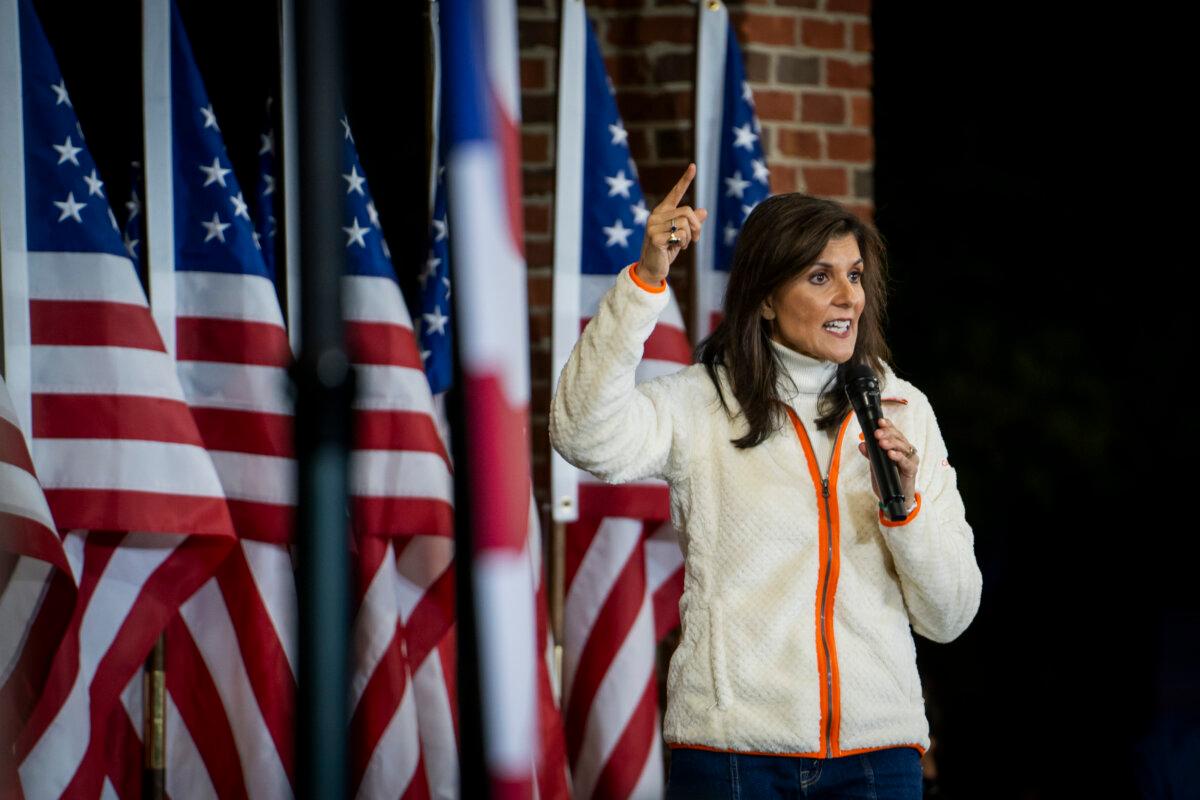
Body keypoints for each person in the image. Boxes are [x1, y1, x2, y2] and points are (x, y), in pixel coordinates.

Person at [549, 163, 983, 799]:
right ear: (765, 299)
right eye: (820, 277)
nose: (849, 297)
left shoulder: (901, 408)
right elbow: (581, 432)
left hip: (877, 759)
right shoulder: (701, 404)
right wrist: (645, 284)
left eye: (855, 276)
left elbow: (950, 615)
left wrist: (906, 509)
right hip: (734, 756)